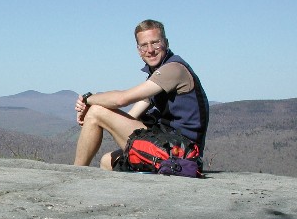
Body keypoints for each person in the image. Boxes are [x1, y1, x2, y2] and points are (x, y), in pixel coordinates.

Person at [73, 19, 209, 170]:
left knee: (96, 112)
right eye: (144, 45)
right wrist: (101, 114)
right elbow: (131, 116)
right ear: (138, 50)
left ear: (166, 43)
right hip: (170, 145)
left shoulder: (174, 70)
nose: (150, 50)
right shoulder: (158, 77)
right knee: (107, 160)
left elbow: (121, 99)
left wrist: (88, 99)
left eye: (155, 42)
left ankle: (75, 175)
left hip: (181, 151)